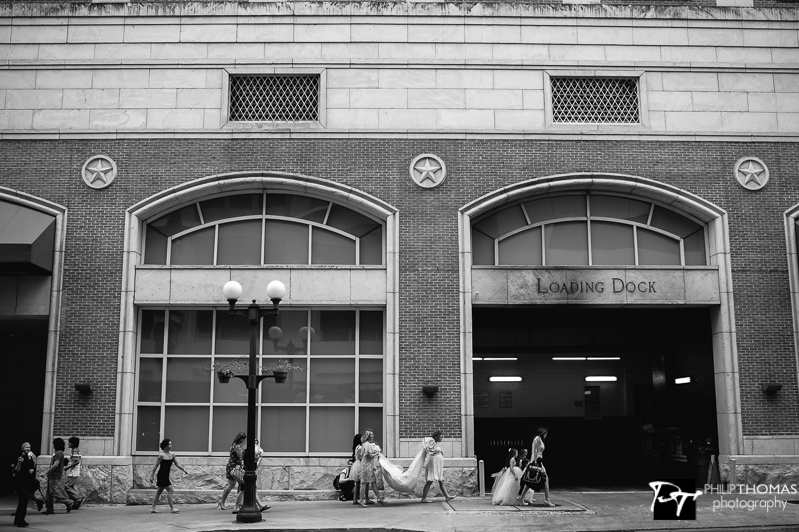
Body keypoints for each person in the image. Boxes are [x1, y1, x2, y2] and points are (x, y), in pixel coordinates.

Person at [517, 427, 555, 507]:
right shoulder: (537, 438)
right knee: (544, 479)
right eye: (545, 434)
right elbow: (534, 451)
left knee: (531, 481)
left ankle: (521, 497)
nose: (546, 435)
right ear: (542, 433)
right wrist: (534, 462)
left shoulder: (540, 440)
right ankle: (547, 499)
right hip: (537, 461)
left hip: (539, 460)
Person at [149, 438, 187, 513]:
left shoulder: (172, 455)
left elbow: (177, 464)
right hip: (161, 475)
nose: (171, 445)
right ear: (165, 445)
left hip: (166, 475)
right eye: (169, 444)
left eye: (171, 444)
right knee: (170, 490)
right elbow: (155, 466)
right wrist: (152, 476)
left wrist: (183, 469)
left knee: (159, 491)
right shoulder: (161, 455)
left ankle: (153, 508)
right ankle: (172, 508)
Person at [420, 430, 456, 503]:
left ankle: (447, 496)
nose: (442, 438)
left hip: (436, 464)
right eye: (441, 437)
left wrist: (439, 452)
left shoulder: (434, 443)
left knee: (441, 480)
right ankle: (423, 498)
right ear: (437, 437)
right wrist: (438, 451)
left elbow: (433, 450)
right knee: (430, 480)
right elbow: (430, 450)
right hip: (433, 464)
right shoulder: (431, 440)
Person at [12, 442, 39, 527]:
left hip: (26, 481)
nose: (28, 449)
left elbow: (32, 468)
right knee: (23, 501)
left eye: (29, 447)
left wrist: (31, 470)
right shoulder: (19, 457)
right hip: (20, 482)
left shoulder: (29, 457)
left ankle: (18, 519)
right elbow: (16, 470)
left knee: (22, 502)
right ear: (23, 448)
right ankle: (20, 521)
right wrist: (19, 463)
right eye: (26, 447)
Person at [356, 430, 386, 507]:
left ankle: (379, 498)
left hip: (368, 465)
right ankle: (361, 501)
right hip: (366, 466)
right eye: (371, 435)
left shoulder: (364, 444)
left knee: (373, 482)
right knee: (364, 483)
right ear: (368, 436)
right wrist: (377, 453)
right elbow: (369, 456)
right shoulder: (367, 445)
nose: (373, 436)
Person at [44, 438, 73, 515]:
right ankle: (49, 509)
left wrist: (46, 473)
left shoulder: (59, 453)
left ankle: (68, 502)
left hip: (55, 475)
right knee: (49, 494)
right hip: (52, 475)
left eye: (54, 444)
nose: (53, 445)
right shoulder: (58, 453)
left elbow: (55, 465)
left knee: (54, 492)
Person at [218, 432, 246, 511]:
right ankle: (223, 501)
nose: (243, 440)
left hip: (232, 466)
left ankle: (238, 502)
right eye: (242, 439)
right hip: (234, 467)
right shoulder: (237, 447)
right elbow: (240, 457)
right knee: (232, 485)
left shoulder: (234, 445)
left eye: (244, 439)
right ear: (239, 438)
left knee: (236, 484)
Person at [64, 436, 85, 510]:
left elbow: (76, 461)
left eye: (69, 442)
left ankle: (78, 498)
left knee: (67, 486)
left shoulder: (75, 451)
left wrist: (67, 467)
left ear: (72, 443)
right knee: (71, 486)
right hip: (73, 471)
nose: (68, 444)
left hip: (73, 472)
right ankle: (75, 502)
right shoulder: (75, 450)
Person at [348, 434, 362, 506]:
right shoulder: (360, 448)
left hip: (355, 464)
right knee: (359, 483)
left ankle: (355, 499)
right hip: (359, 464)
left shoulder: (355, 448)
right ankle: (357, 498)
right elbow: (361, 457)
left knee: (356, 483)